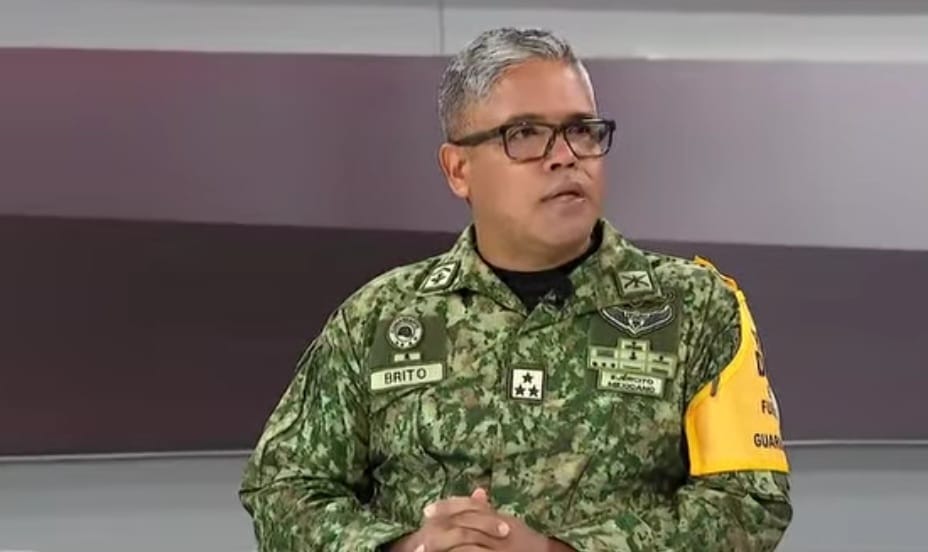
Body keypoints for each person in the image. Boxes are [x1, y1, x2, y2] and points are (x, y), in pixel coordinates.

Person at [239, 26, 793, 552]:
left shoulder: (695, 307)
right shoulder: (378, 317)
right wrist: (405, 547)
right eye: (524, 134)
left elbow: (750, 502)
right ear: (458, 169)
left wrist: (561, 551)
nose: (564, 154)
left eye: (582, 129)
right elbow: (282, 488)